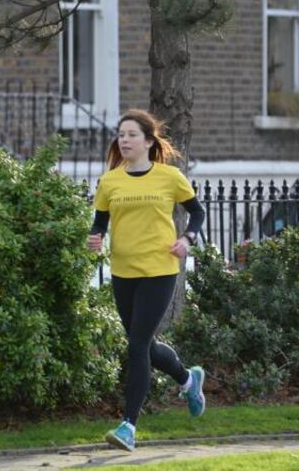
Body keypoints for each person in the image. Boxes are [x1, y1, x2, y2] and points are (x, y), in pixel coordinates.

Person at [87, 108, 207, 452]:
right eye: (121, 135)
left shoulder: (169, 177)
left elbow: (197, 212)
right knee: (145, 345)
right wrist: (95, 238)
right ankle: (188, 378)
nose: (124, 140)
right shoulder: (110, 181)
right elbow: (99, 223)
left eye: (131, 135)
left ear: (148, 141)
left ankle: (128, 426)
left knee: (137, 345)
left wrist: (187, 239)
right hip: (123, 272)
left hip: (160, 270)